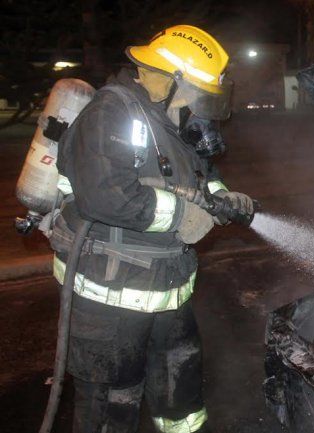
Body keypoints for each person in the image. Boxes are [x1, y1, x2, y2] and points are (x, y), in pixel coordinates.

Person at [51, 24, 253, 433]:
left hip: (166, 290)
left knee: (181, 395)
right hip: (109, 295)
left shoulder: (171, 119)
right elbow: (106, 196)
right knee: (113, 403)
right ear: (170, 79)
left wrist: (222, 197)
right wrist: (182, 217)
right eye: (197, 91)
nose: (201, 106)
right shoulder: (111, 114)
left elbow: (199, 174)